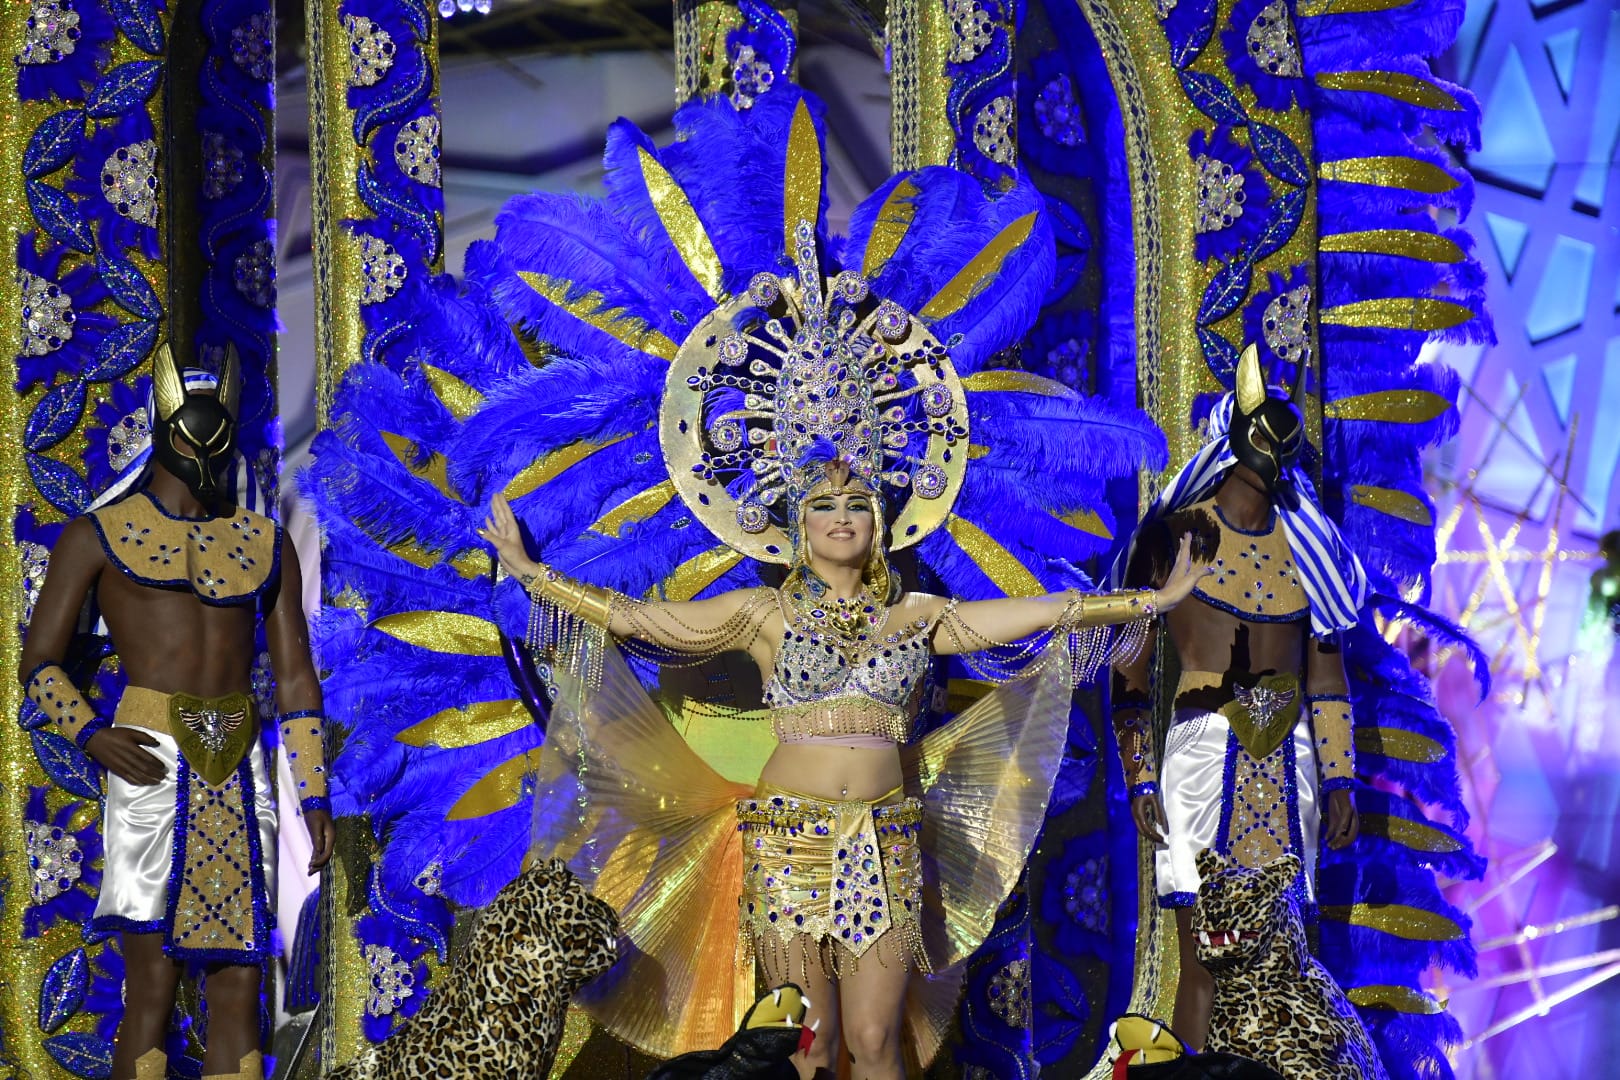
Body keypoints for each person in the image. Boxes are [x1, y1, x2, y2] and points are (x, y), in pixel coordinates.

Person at [481, 464, 1207, 1080]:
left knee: (873, 1041)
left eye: (857, 503)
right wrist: (530, 574)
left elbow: (1043, 610)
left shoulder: (920, 616)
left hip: (882, 847)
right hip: (788, 842)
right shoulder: (761, 614)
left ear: (879, 525)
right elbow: (641, 622)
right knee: (809, 1043)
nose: (841, 515)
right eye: (823, 504)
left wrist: (1150, 602)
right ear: (799, 527)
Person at [19, 345, 334, 1080]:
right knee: (152, 986)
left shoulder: (264, 542)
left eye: (218, 425)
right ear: (165, 425)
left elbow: (295, 678)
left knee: (240, 987)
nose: (205, 442)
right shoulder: (95, 535)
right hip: (148, 758)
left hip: (237, 771)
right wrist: (92, 734)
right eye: (194, 426)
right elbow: (38, 664)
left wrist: (313, 792)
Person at [1110, 344, 1365, 1051]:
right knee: (1203, 962)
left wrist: (1341, 777)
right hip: (1197, 759)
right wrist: (1138, 776)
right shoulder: (1173, 537)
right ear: (1236, 424)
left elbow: (1325, 675)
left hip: (1292, 768)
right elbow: (1129, 671)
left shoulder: (1312, 547)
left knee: (1285, 960)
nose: (1277, 436)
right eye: (1265, 419)